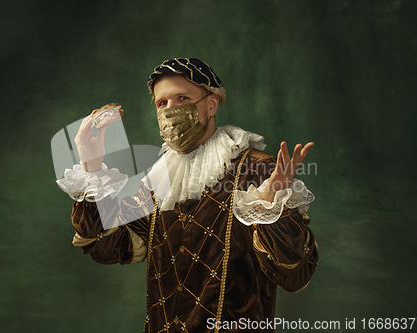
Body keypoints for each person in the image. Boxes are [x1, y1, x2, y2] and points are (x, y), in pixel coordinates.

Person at [57, 58, 319, 333]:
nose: (171, 110)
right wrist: (93, 165)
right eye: (162, 103)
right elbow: (108, 247)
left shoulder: (257, 170)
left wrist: (270, 208)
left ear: (212, 103)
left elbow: (295, 274)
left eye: (182, 98)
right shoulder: (158, 180)